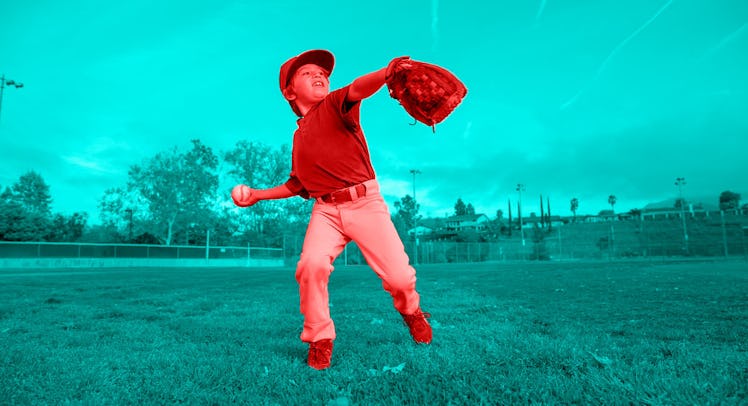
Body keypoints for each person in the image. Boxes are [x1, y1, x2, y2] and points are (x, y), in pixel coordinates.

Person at [231, 49, 431, 370]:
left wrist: (386, 72)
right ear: (290, 91)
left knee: (399, 278)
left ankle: (411, 311)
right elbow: (297, 185)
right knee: (310, 266)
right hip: (325, 210)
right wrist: (257, 195)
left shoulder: (335, 105)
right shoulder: (298, 137)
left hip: (365, 203)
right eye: (307, 73)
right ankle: (320, 337)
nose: (318, 75)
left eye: (321, 72)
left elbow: (357, 88)